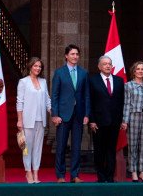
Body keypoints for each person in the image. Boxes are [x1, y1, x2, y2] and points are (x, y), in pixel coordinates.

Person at [51, 44, 90, 183]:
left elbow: (86, 96)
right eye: (72, 54)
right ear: (66, 56)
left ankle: (75, 175)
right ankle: (60, 175)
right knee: (61, 146)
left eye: (77, 54)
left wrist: (87, 114)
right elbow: (54, 95)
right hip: (63, 115)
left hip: (78, 115)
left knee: (76, 146)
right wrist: (54, 115)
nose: (75, 57)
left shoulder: (84, 73)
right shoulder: (59, 72)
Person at [89, 56, 124, 183]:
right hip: (98, 122)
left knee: (111, 150)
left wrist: (122, 120)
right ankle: (101, 176)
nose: (108, 66)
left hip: (114, 122)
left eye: (109, 64)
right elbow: (90, 102)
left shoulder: (119, 81)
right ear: (99, 66)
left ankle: (109, 177)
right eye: (105, 64)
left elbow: (122, 102)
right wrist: (91, 120)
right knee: (99, 150)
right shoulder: (92, 80)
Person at [16, 57, 51, 184]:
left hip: (41, 120)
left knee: (38, 148)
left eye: (40, 67)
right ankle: (28, 172)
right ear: (30, 67)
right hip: (27, 120)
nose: (37, 68)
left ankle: (36, 173)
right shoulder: (23, 82)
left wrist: (53, 113)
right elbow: (20, 102)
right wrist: (19, 120)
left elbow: (47, 100)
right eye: (35, 66)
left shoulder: (43, 82)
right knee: (26, 147)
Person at [121, 61, 143, 182]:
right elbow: (126, 104)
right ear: (134, 71)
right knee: (133, 146)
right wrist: (125, 121)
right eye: (138, 69)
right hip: (133, 117)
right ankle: (134, 171)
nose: (140, 71)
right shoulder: (128, 86)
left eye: (142, 69)